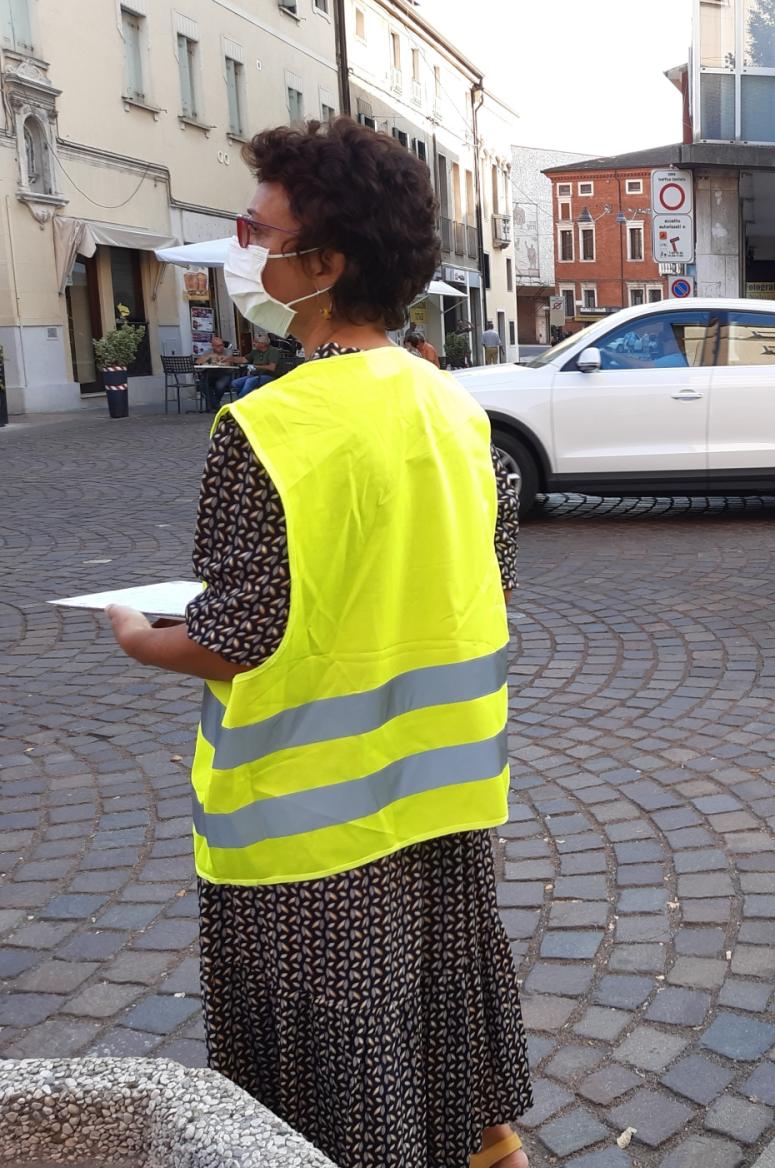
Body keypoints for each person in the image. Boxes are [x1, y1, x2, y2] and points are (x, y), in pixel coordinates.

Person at [104, 118, 532, 1168]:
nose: (246, 249)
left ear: (326, 264)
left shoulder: (269, 426)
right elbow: (483, 580)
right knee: (432, 1000)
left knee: (331, 1062)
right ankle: (483, 1147)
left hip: (308, 822)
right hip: (442, 793)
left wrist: (142, 638)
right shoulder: (454, 409)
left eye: (259, 231)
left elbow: (238, 636)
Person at [196, 334, 242, 411]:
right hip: (210, 374)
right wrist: (209, 358)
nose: (221, 347)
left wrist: (221, 360)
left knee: (220, 386)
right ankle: (216, 405)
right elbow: (198, 361)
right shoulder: (208, 352)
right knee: (203, 385)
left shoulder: (227, 351)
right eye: (218, 346)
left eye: (222, 345)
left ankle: (213, 405)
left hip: (224, 374)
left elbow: (228, 363)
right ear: (213, 346)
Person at [234, 331, 284, 397]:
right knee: (235, 383)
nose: (253, 343)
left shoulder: (273, 351)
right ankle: (248, 398)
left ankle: (241, 399)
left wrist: (256, 366)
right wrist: (229, 358)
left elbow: (272, 367)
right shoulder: (255, 352)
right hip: (255, 375)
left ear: (263, 344)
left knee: (250, 381)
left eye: (256, 342)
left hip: (270, 376)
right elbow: (243, 360)